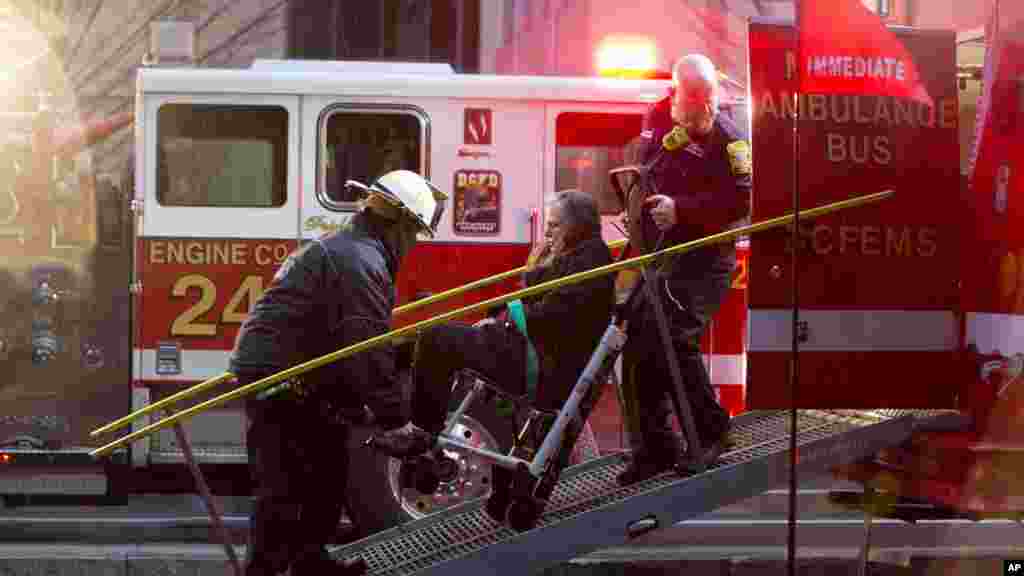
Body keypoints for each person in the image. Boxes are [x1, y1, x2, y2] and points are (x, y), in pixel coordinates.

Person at [230, 170, 447, 576]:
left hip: (297, 373)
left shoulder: (354, 249)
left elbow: (355, 341)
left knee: (326, 474)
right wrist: (394, 419)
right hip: (281, 378)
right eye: (415, 233)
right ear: (399, 224)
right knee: (285, 490)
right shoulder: (360, 260)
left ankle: (311, 562)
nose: (414, 244)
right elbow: (366, 346)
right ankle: (265, 571)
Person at [369, 189, 615, 513]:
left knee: (436, 337)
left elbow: (549, 316)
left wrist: (504, 319)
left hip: (538, 365)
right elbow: (537, 293)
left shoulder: (591, 262)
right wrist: (535, 267)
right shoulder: (580, 255)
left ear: (577, 226)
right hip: (533, 354)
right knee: (429, 339)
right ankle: (418, 430)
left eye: (555, 225)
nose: (547, 231)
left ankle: (423, 435)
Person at [616, 54, 751, 486]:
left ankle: (712, 432)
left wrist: (683, 210)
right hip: (661, 255)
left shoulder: (731, 140)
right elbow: (647, 167)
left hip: (705, 259)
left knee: (675, 338)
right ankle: (654, 448)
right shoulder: (658, 115)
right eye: (693, 98)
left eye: (708, 98)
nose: (702, 108)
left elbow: (743, 201)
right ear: (676, 92)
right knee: (638, 340)